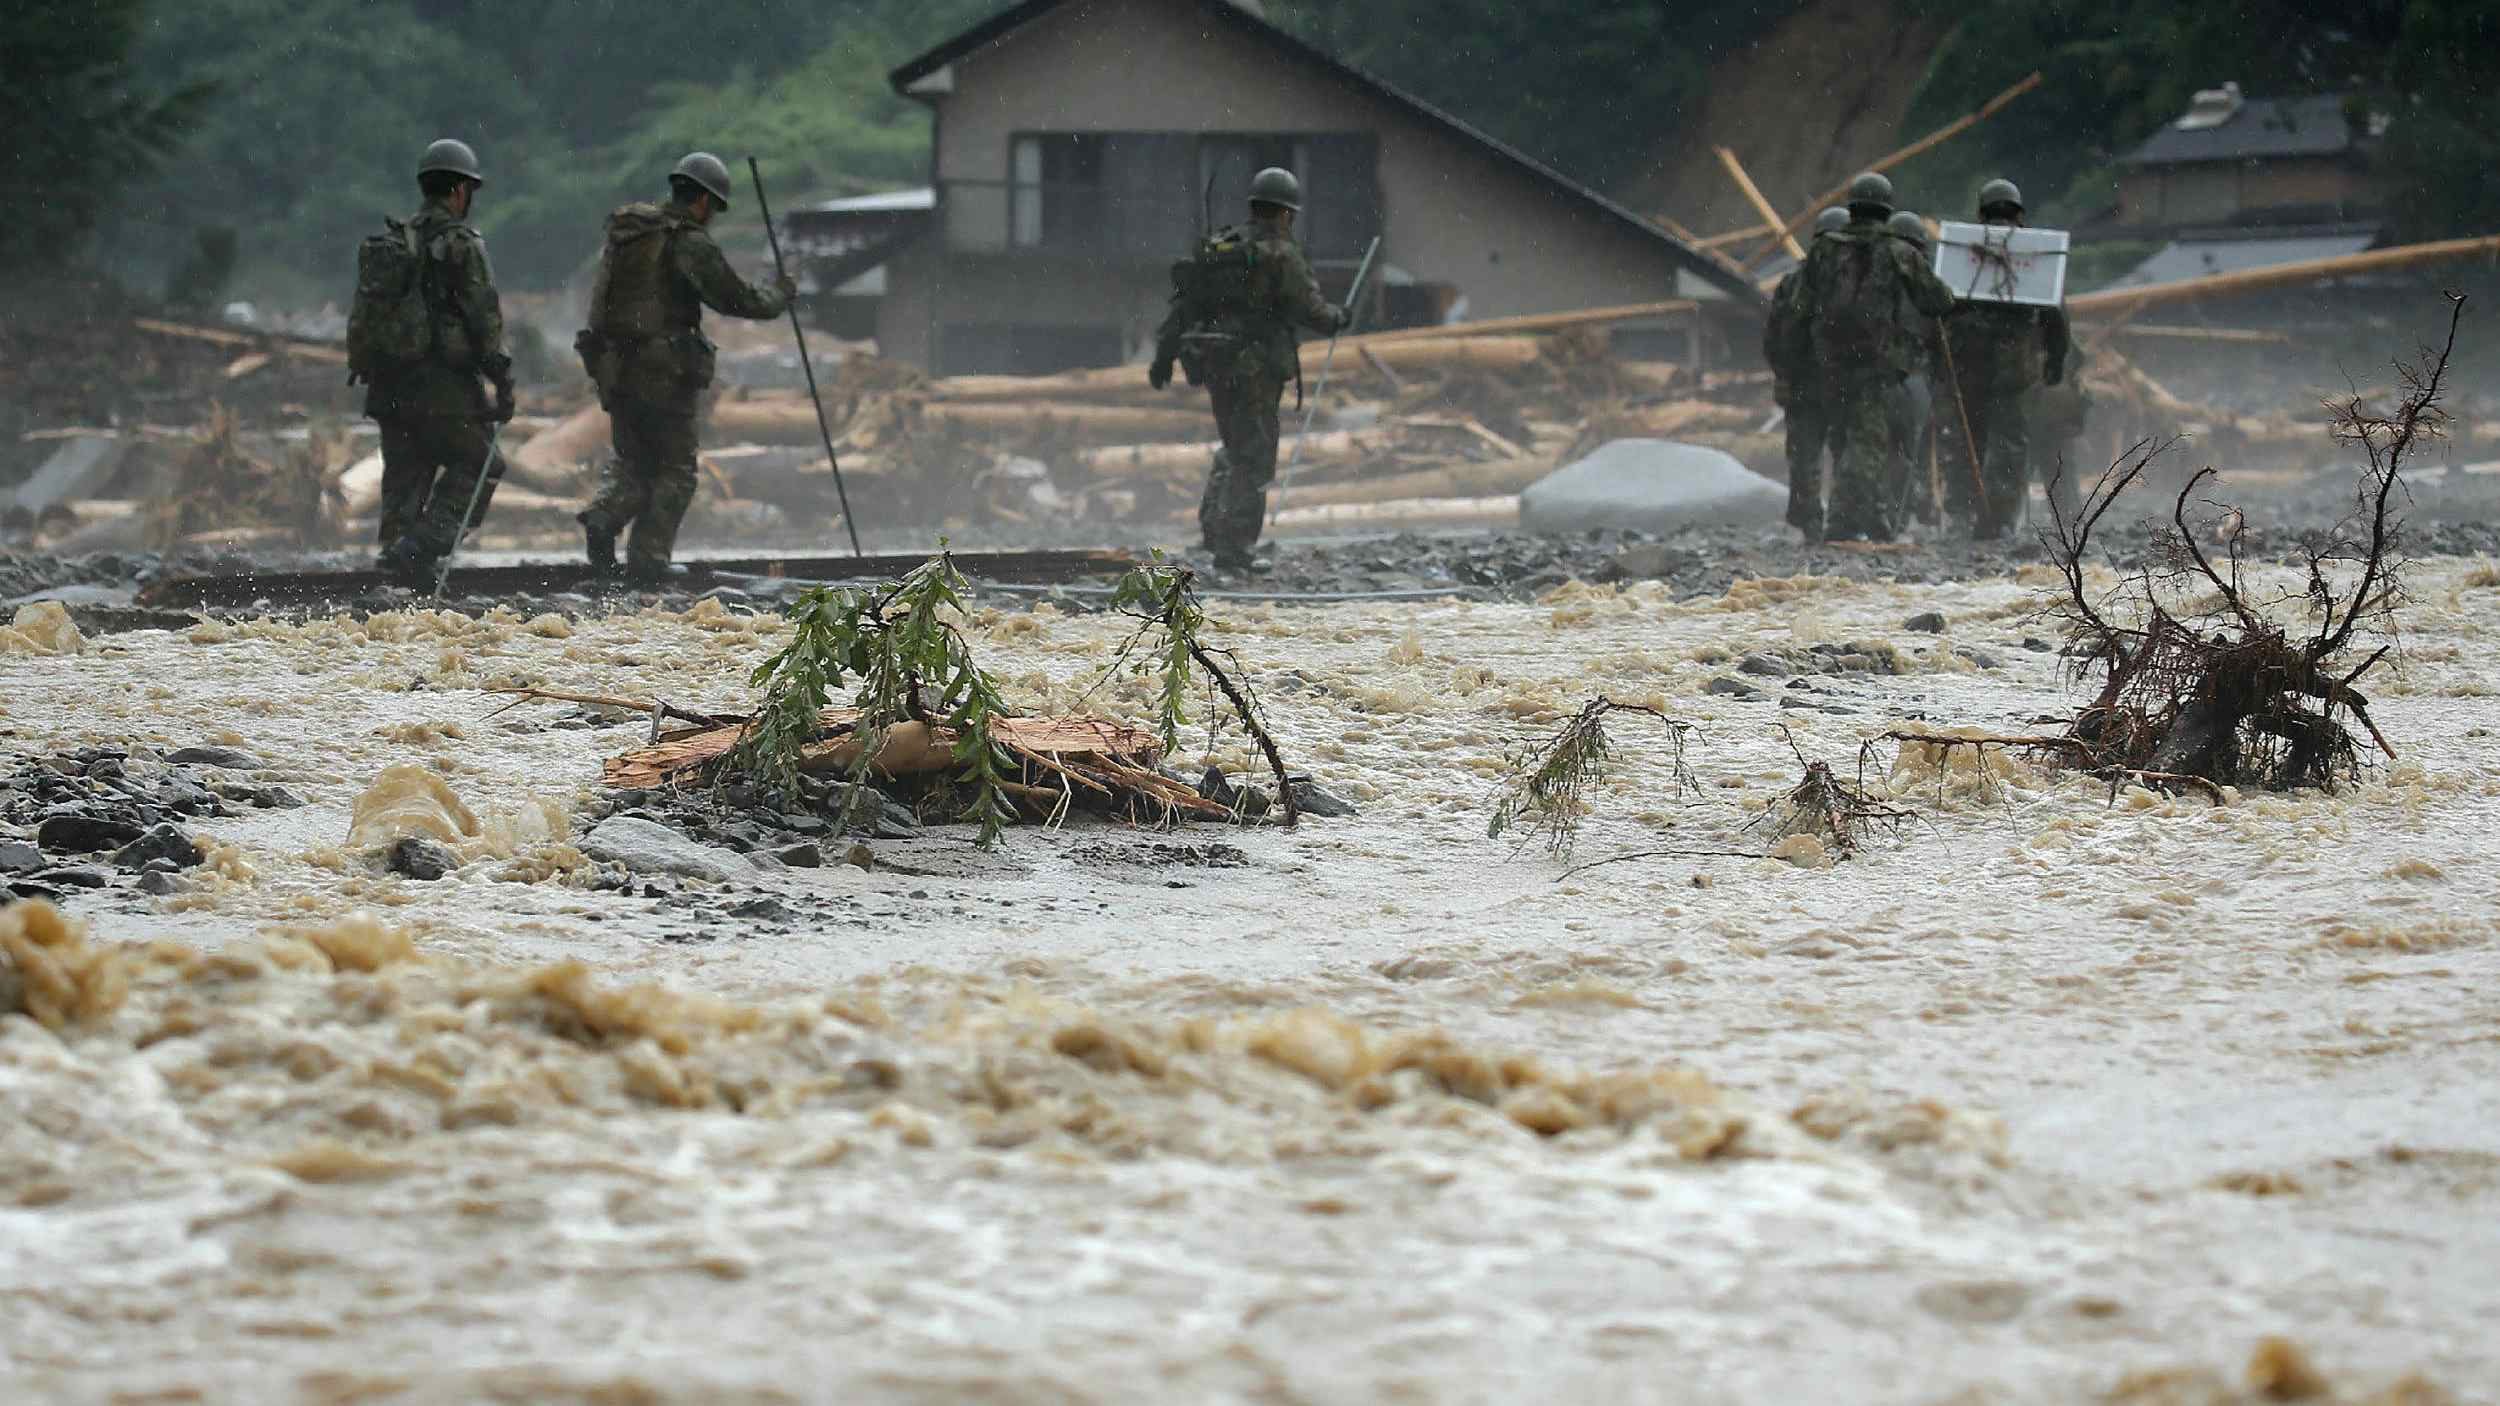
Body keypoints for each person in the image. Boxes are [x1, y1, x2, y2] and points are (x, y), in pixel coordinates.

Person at [575, 151, 796, 581]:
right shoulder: (688, 242)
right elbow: (735, 299)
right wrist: (779, 296)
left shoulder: (632, 237)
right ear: (703, 202)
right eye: (713, 208)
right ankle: (649, 563)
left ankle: (604, 517)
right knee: (676, 469)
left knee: (634, 461)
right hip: (663, 378)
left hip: (615, 372)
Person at [1149, 166, 1347, 574]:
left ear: (1255, 206)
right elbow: (1311, 311)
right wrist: (1338, 317)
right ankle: (1235, 549)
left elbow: (1184, 304)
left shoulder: (1223, 247)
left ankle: (1214, 531)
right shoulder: (1279, 252)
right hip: (1256, 366)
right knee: (1255, 456)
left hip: (1215, 362)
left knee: (1234, 445)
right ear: (1287, 213)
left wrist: (1163, 356)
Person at [361, 139, 512, 582]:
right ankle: (421, 548)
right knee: (481, 464)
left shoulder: (392, 244)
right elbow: (484, 318)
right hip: (443, 386)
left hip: (388, 383)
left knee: (406, 474)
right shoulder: (461, 244)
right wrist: (503, 381)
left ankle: (396, 569)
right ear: (460, 190)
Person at [1798, 172, 1954, 542]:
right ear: (1886, 209)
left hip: (1829, 362)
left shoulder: (1824, 249)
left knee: (1843, 439)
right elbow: (1939, 299)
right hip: (1874, 362)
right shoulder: (1898, 251)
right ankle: (1843, 520)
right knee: (1868, 444)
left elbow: (1801, 304)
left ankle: (1866, 518)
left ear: (1851, 206)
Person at [1938, 177, 2071, 540]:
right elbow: (2055, 317)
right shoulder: (2036, 254)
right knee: (2010, 443)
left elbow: (1940, 311)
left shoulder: (1960, 253)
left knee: (1968, 440)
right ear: (2018, 212)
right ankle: (2000, 520)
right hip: (2015, 369)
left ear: (1982, 211)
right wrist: (2055, 363)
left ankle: (1963, 513)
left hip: (1969, 367)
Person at [1765, 206, 1850, 540]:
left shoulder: (1793, 282)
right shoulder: (1850, 282)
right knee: (1846, 450)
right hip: (1841, 380)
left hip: (1803, 381)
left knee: (1804, 454)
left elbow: (1774, 337)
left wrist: (1785, 372)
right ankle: (1845, 521)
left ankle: (1811, 521)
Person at [1884, 208, 1945, 528]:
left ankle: (1885, 513)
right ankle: (1901, 514)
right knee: (1909, 451)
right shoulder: (1922, 282)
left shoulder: (1872, 273)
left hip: (1874, 376)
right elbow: (1939, 325)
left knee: (1874, 446)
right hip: (1913, 377)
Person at [2024, 332, 2091, 527]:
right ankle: (2070, 522)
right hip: (2053, 415)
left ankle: (2011, 522)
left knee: (2020, 469)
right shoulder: (2059, 335)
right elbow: (2078, 357)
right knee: (2061, 471)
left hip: (2035, 412)